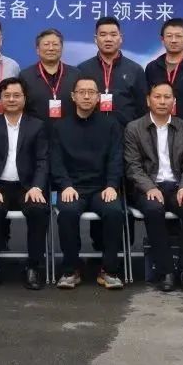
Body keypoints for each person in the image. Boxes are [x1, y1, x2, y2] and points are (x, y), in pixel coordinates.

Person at [124, 82, 183, 293]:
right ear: (148, 100)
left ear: (174, 101)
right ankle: (165, 271)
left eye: (167, 97)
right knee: (153, 209)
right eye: (157, 97)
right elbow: (133, 166)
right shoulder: (134, 128)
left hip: (178, 187)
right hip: (147, 188)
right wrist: (149, 187)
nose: (162, 101)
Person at [51, 75, 126, 290]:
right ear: (73, 96)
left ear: (98, 97)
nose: (86, 96)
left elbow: (115, 158)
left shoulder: (111, 125)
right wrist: (65, 185)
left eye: (91, 92)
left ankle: (109, 270)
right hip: (72, 188)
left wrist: (112, 185)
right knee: (67, 212)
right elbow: (56, 161)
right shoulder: (60, 126)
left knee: (114, 211)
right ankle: (70, 270)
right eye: (81, 92)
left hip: (102, 188)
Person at [0, 78, 50, 290]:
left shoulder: (37, 126)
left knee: (38, 210)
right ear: (0, 99)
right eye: (6, 95)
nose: (11, 99)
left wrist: (37, 187)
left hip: (27, 187)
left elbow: (43, 160)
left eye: (16, 95)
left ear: (24, 99)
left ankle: (33, 266)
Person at [78, 16, 147, 127]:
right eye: (103, 35)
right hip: (91, 131)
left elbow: (142, 108)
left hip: (126, 133)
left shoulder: (135, 70)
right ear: (95, 39)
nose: (108, 39)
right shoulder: (83, 69)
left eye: (113, 35)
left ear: (121, 38)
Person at [145, 17, 183, 119]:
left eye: (178, 36)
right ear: (162, 39)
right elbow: (146, 102)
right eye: (169, 36)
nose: (173, 40)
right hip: (157, 125)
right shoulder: (152, 68)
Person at [19, 28, 79, 123]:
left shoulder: (76, 74)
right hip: (36, 131)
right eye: (46, 44)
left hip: (69, 130)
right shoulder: (25, 76)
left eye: (55, 44)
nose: (51, 48)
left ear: (62, 48)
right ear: (37, 50)